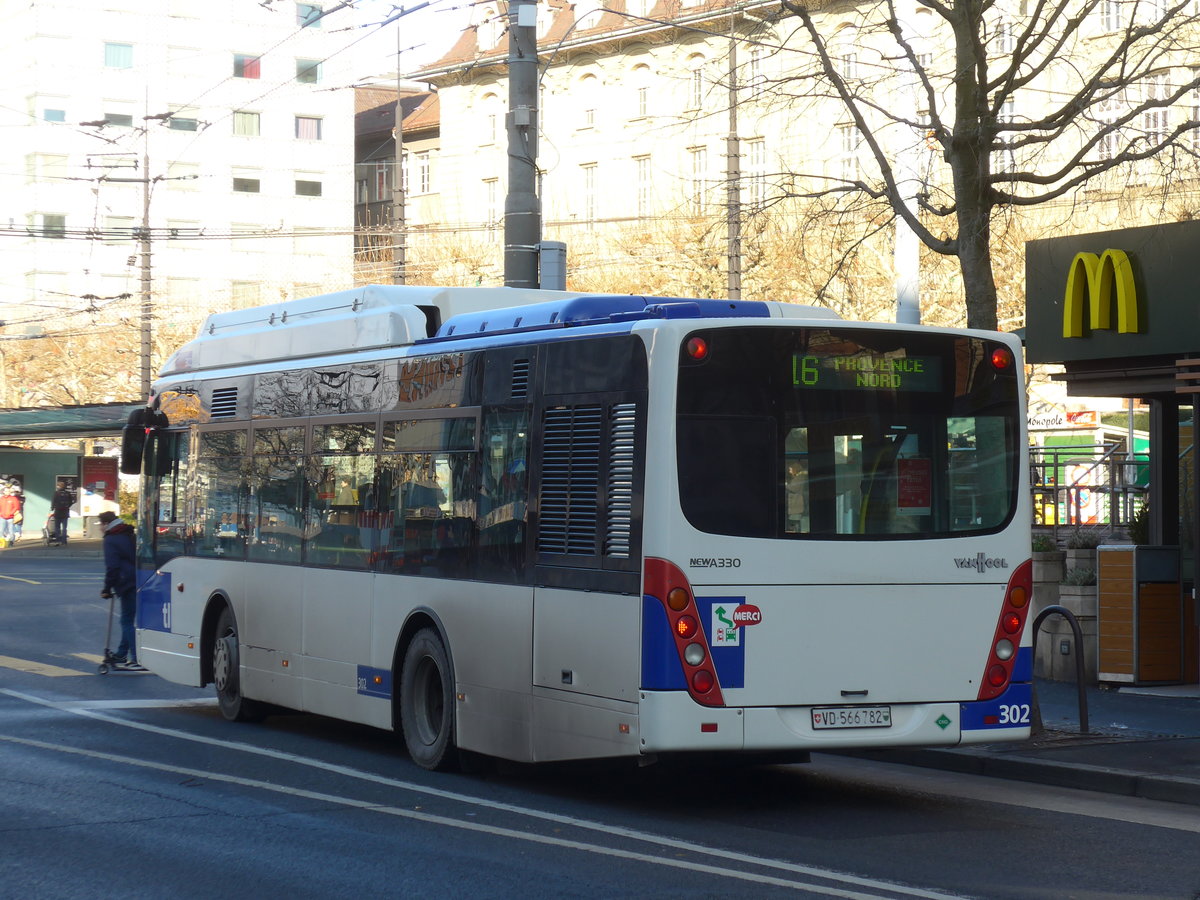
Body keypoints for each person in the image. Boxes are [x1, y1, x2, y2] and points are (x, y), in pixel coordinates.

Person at [99, 510, 144, 670]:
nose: (99, 529)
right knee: (128, 618)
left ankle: (137, 658)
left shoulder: (111, 539)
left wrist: (106, 588)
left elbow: (112, 567)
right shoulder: (127, 533)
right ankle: (121, 653)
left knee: (126, 620)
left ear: (106, 524)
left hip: (125, 582)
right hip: (137, 579)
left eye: (100, 525)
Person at [51, 480, 73, 545]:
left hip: (57, 512)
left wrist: (52, 507)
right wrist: (67, 507)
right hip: (65, 513)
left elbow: (53, 501)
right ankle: (64, 541)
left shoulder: (56, 493)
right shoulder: (68, 493)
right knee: (64, 528)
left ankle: (58, 540)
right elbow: (71, 502)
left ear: (59, 486)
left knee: (57, 527)